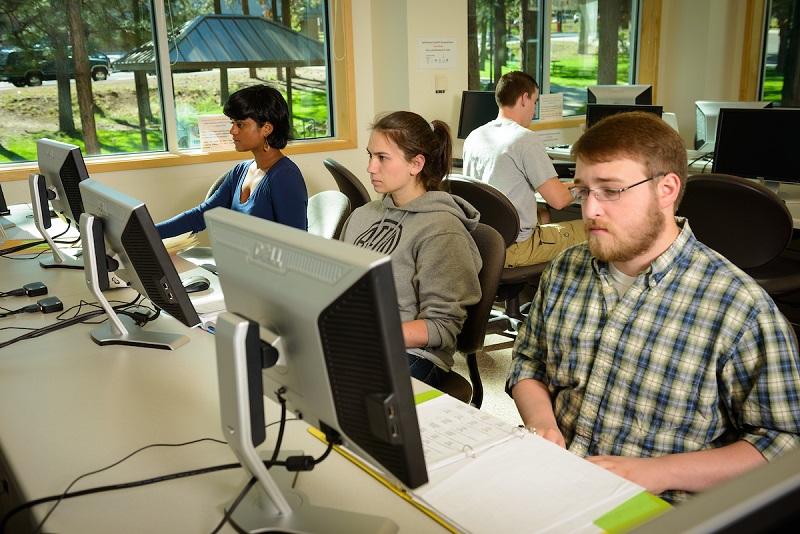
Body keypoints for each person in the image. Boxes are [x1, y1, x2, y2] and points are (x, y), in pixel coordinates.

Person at [507, 111, 800, 504]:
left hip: (658, 510)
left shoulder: (739, 308)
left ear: (666, 189)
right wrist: (543, 425)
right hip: (557, 482)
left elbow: (784, 442)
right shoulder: (564, 269)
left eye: (610, 190)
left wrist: (656, 473)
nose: (590, 210)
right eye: (583, 190)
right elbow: (529, 361)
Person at [339, 111, 482, 388]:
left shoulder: (442, 229)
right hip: (355, 339)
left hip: (411, 354)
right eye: (370, 155)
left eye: (382, 157)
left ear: (416, 164)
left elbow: (442, 326)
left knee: (338, 396)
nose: (370, 167)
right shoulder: (363, 215)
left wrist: (370, 334)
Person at [463, 70, 586, 268]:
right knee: (590, 229)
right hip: (515, 248)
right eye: (535, 102)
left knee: (544, 214)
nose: (535, 110)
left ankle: (530, 286)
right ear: (524, 98)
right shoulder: (524, 139)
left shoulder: (475, 136)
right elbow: (559, 199)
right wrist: (585, 181)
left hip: (482, 243)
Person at [156, 84, 308, 239]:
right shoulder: (240, 171)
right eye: (232, 123)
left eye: (240, 124)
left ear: (267, 128)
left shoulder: (286, 177)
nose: (232, 131)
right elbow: (201, 216)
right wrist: (149, 233)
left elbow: (296, 244)